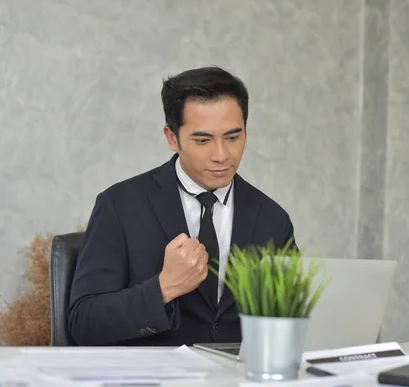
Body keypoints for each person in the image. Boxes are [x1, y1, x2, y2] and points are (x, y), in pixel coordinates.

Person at [67, 66, 296, 346]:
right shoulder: (119, 206)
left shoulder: (273, 219)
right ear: (172, 138)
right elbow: (84, 322)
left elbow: (292, 321)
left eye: (233, 138)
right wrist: (164, 288)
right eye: (203, 140)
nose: (221, 155)